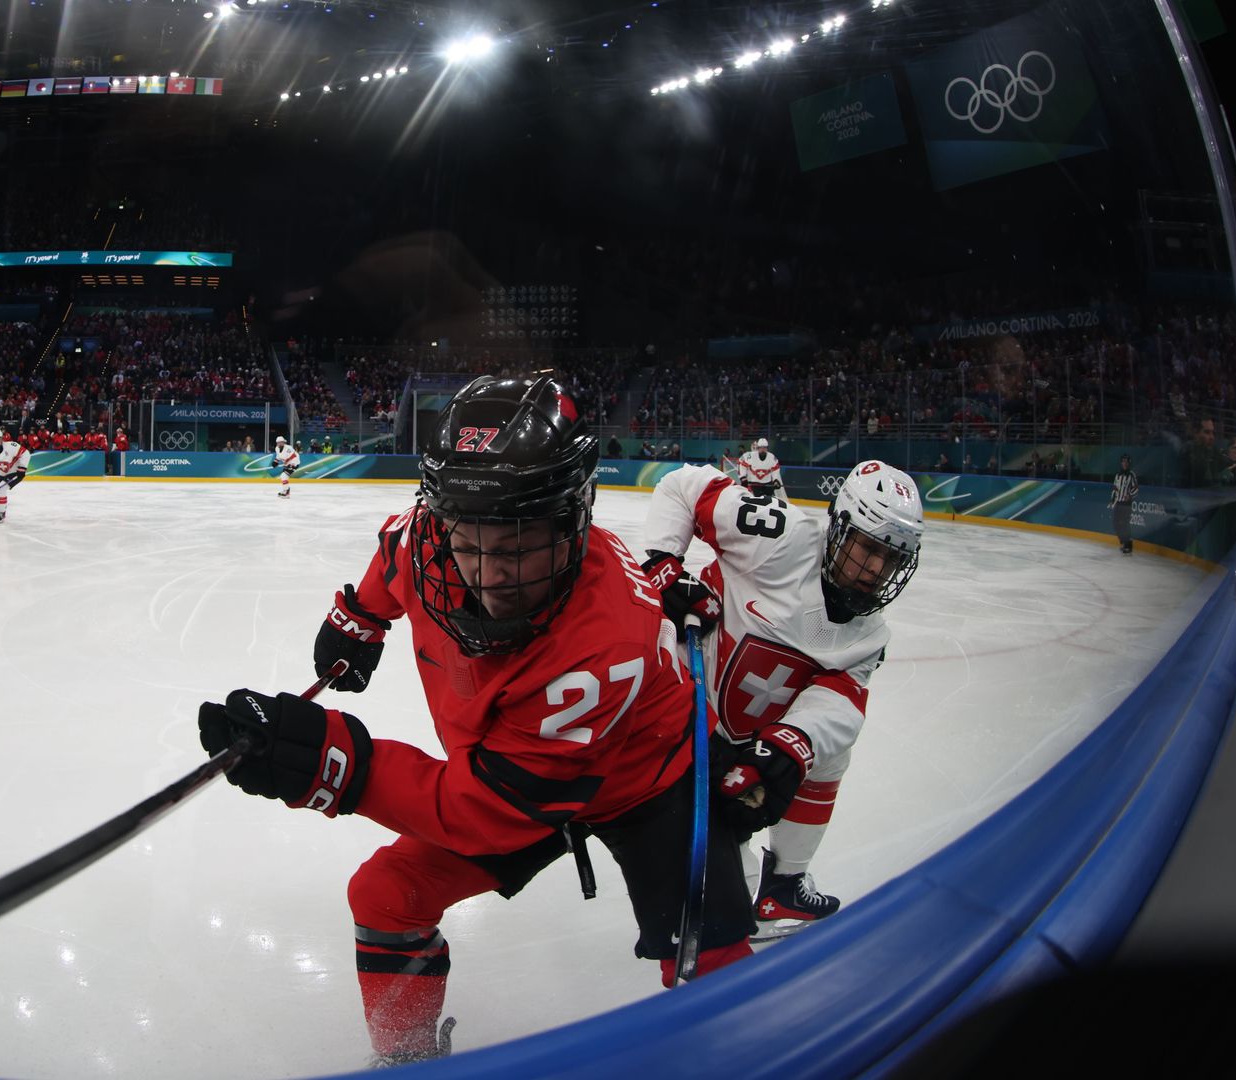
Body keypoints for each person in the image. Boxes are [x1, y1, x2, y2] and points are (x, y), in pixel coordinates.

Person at [197, 376, 753, 1068]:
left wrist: (336, 764)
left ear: (571, 517)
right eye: (470, 538)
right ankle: (405, 1062)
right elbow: (395, 551)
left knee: (718, 968)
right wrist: (360, 619)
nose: (490, 573)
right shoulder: (426, 536)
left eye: (518, 542)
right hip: (521, 769)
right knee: (385, 896)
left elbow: (490, 813)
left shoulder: (605, 644)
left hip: (653, 779)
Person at [640, 458, 924, 940]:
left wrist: (785, 749)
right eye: (867, 549)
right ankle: (731, 880)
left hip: (750, 729)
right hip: (683, 692)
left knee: (829, 755)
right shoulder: (778, 535)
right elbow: (682, 487)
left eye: (891, 559)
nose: (875, 569)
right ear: (839, 528)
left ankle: (785, 883)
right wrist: (663, 564)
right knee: (724, 902)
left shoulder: (870, 634)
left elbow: (839, 703)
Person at [0, 427, 28, 523]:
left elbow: (26, 453)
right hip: (2, 475)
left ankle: (0, 512)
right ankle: (1, 511)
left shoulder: (11, 446)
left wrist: (22, 467)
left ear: (2, 438)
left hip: (16, 472)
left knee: (0, 489)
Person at [739, 437, 785, 505]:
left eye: (764, 447)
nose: (763, 449)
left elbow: (775, 469)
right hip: (754, 484)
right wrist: (743, 477)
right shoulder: (750, 456)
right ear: (758, 448)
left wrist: (775, 480)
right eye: (761, 447)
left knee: (769, 503)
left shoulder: (772, 457)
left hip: (768, 484)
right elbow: (742, 464)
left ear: (767, 448)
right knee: (757, 503)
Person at [1110, 454, 1139, 555]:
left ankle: (1128, 545)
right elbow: (1114, 488)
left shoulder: (1131, 475)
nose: (1125, 463)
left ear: (1129, 463)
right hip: (1118, 502)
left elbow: (1136, 488)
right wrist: (1112, 499)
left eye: (1126, 462)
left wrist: (1130, 495)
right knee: (1116, 523)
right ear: (1121, 463)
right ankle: (1123, 541)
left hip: (1127, 504)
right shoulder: (1118, 475)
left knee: (1125, 524)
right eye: (1123, 461)